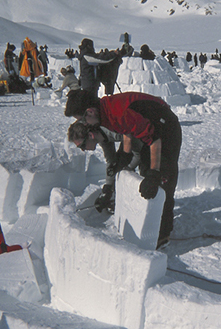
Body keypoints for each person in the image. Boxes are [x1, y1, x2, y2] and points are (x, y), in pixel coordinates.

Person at [65, 90, 182, 249]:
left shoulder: (117, 112)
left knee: (162, 180)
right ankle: (153, 220)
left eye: (83, 121)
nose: (85, 126)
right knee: (146, 175)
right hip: (152, 129)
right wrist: (124, 156)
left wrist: (155, 173)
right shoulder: (105, 114)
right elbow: (127, 130)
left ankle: (162, 234)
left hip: (165, 128)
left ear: (90, 112)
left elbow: (154, 140)